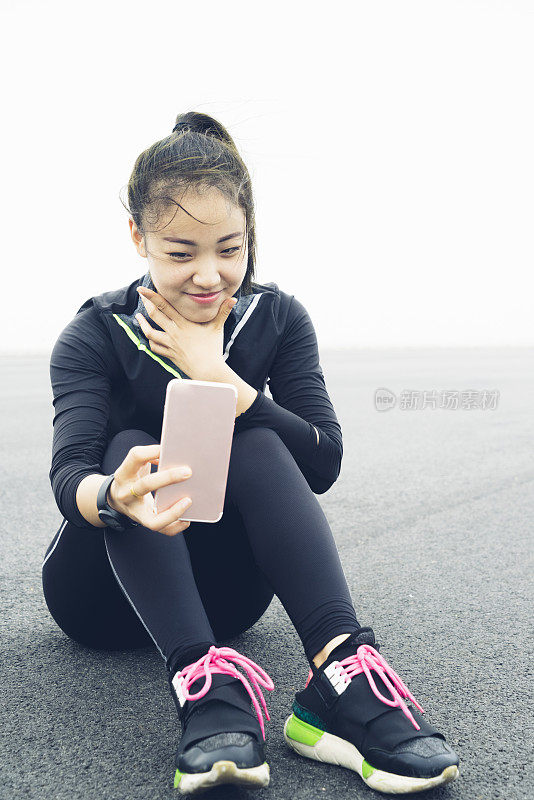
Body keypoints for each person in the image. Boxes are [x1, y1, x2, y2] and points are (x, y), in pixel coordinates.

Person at [41, 111, 459, 795]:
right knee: (131, 447)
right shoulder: (96, 332)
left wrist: (227, 382)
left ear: (249, 236)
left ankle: (340, 676)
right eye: (180, 253)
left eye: (228, 249)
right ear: (137, 237)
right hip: (99, 596)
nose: (208, 276)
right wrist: (113, 495)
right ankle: (205, 691)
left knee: (258, 435)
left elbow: (322, 461)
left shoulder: (277, 318)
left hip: (231, 596)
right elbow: (69, 474)